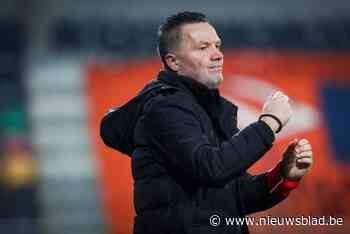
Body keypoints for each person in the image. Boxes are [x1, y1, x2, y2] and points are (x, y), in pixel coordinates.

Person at [104, 11, 314, 234]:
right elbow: (212, 168)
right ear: (173, 62)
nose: (218, 55)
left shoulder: (210, 111)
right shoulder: (165, 108)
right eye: (203, 48)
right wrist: (269, 123)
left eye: (217, 45)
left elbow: (236, 197)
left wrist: (284, 175)